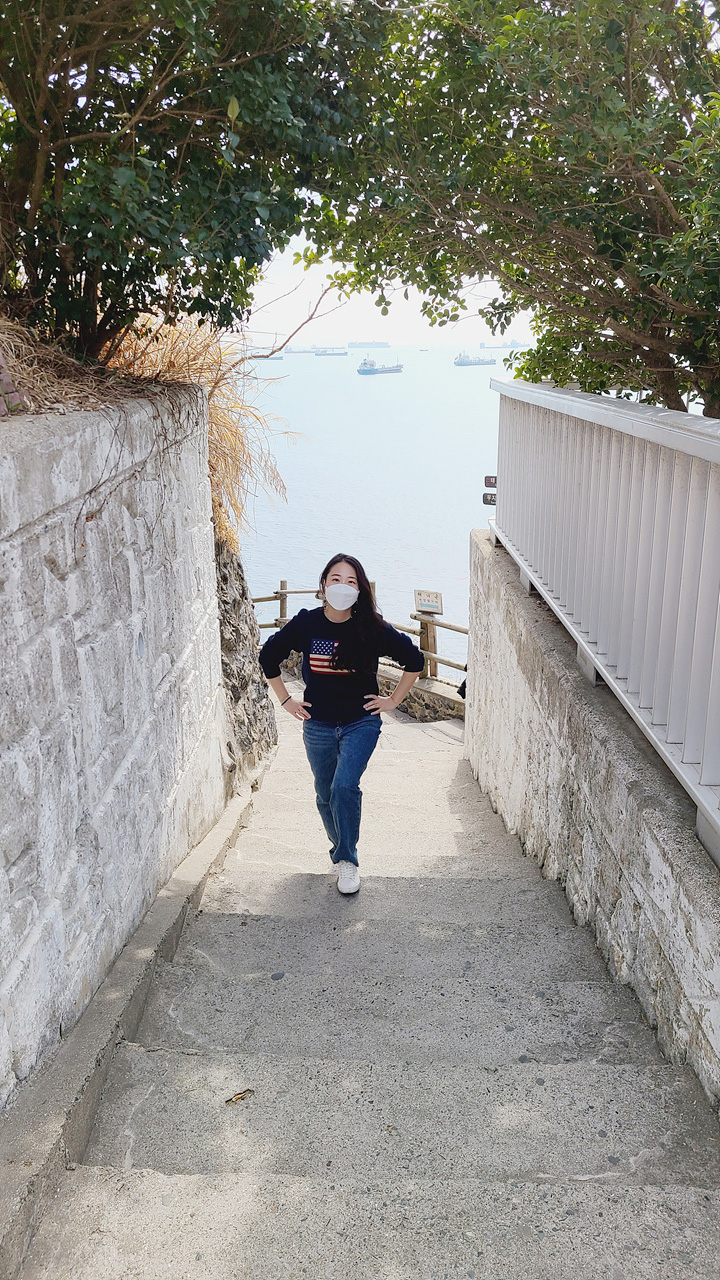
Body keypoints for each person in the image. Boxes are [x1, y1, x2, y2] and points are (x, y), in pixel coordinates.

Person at [259, 554, 424, 895]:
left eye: (351, 581)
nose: (342, 586)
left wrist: (393, 701)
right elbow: (268, 657)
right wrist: (286, 700)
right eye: (336, 579)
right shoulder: (306, 623)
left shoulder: (372, 628)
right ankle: (340, 848)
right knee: (325, 794)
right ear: (323, 585)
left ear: (360, 590)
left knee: (344, 787)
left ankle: (348, 860)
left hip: (360, 722)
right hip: (317, 724)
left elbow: (414, 661)